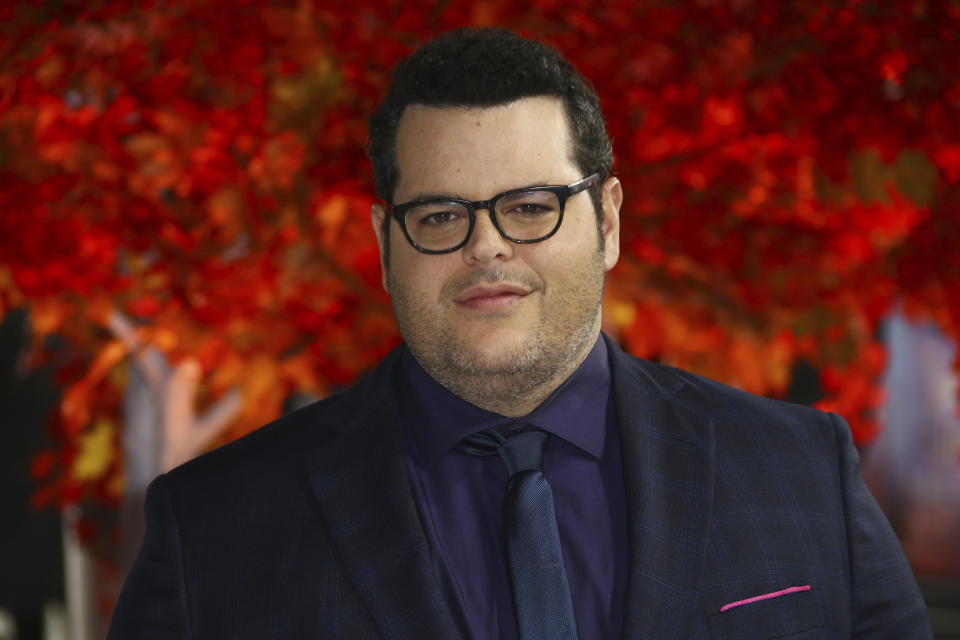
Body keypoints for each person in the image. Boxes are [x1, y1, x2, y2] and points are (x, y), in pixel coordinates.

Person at [108, 28, 932, 639]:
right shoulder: (213, 527)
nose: (487, 245)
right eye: (440, 215)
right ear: (385, 244)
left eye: (532, 206)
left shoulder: (799, 471)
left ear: (607, 221)